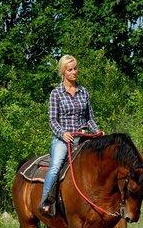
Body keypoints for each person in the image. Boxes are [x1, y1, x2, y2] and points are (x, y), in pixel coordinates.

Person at [39, 55, 102, 216]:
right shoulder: (56, 94)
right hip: (63, 139)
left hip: (83, 137)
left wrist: (97, 132)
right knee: (56, 166)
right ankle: (46, 202)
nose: (74, 72)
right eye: (70, 69)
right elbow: (52, 121)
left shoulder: (84, 92)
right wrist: (63, 133)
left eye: (75, 68)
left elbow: (89, 118)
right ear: (63, 72)